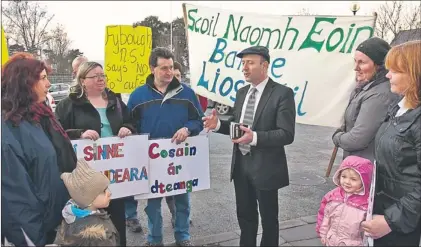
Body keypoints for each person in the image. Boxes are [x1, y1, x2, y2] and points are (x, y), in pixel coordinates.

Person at [203, 45, 296, 246]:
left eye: (250, 63)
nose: (244, 68)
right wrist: (218, 124)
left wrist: (254, 137)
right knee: (245, 216)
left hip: (267, 168)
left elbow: (286, 134)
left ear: (265, 65)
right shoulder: (242, 92)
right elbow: (238, 127)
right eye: (243, 63)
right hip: (241, 166)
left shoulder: (282, 93)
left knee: (269, 220)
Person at [127, 47, 204, 246]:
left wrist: (187, 129)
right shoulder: (137, 96)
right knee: (152, 204)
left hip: (180, 158)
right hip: (150, 160)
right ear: (152, 68)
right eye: (163, 68)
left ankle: (183, 237)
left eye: (171, 67)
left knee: (182, 202)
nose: (169, 72)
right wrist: (127, 130)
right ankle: (154, 239)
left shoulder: (187, 93)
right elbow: (130, 124)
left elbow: (198, 120)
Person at [55, 61, 135, 246]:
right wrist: (79, 133)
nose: (101, 79)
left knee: (116, 218)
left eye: (102, 75)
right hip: (86, 176)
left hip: (115, 173)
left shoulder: (116, 101)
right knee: (89, 226)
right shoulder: (68, 105)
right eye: (95, 76)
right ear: (82, 80)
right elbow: (57, 132)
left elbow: (132, 122)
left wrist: (127, 128)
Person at [1, 53, 77, 246]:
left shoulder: (37, 117)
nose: (48, 84)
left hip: (52, 224)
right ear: (24, 83)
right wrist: (34, 239)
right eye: (43, 78)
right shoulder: (8, 129)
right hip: (32, 233)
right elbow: (15, 200)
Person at [361, 40, 421, 246]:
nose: (387, 76)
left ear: (414, 74)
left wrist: (390, 221)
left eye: (395, 71)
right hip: (385, 207)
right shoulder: (399, 107)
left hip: (403, 222)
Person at [332, 37, 399, 162]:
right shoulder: (366, 88)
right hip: (358, 162)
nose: (356, 68)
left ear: (379, 65)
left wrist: (337, 137)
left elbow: (357, 139)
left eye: (362, 62)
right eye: (355, 61)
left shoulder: (379, 95)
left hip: (365, 166)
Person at [54, 159, 119, 246]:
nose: (109, 193)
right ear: (88, 199)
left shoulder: (71, 217)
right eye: (103, 191)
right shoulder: (98, 236)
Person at [316, 156, 374, 246]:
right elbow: (324, 215)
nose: (347, 181)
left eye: (353, 179)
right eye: (344, 176)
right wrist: (322, 233)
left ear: (364, 180)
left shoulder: (366, 202)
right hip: (331, 240)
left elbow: (369, 226)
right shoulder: (332, 196)